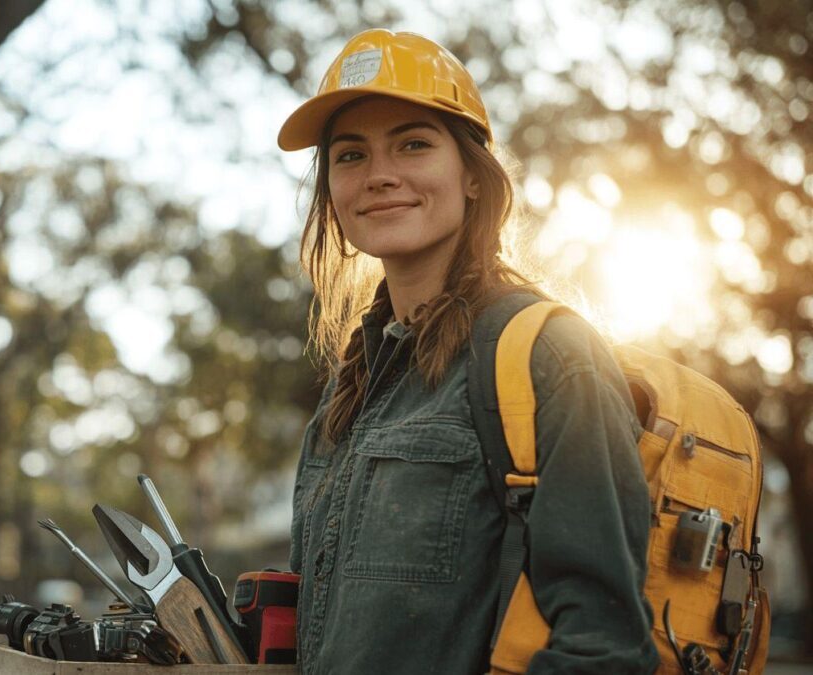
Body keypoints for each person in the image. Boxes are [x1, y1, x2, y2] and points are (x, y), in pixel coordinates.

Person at [278, 30, 660, 674]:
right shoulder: (349, 394)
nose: (379, 175)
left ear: (474, 178)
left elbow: (605, 648)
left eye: (414, 143)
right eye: (350, 155)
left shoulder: (549, 357)